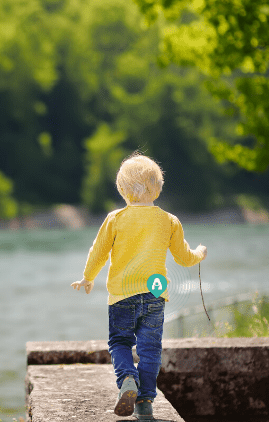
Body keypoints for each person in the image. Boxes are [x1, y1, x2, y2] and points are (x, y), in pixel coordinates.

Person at [71, 153, 207, 418]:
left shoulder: (115, 219)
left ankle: (127, 380)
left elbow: (98, 252)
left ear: (122, 189)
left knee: (120, 342)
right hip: (155, 294)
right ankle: (145, 403)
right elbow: (183, 257)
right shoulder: (169, 221)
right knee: (150, 349)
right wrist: (200, 254)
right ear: (158, 187)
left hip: (122, 295)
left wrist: (88, 277)